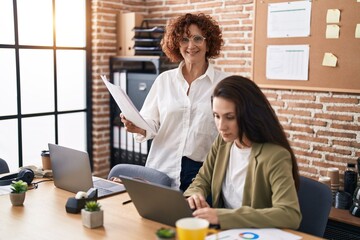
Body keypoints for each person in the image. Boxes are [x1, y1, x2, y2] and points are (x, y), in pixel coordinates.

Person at [120, 13, 230, 191]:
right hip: (160, 170)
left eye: (197, 38)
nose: (191, 45)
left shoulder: (225, 84)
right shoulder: (164, 80)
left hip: (201, 177)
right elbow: (152, 123)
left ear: (208, 42)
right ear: (176, 44)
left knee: (194, 219)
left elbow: (230, 133)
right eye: (184, 39)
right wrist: (138, 127)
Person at [184, 75, 302, 229]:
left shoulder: (275, 156)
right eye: (216, 116)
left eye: (230, 117)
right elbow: (202, 180)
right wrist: (195, 193)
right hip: (223, 232)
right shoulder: (222, 143)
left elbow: (289, 214)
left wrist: (221, 216)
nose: (221, 126)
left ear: (249, 114)